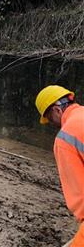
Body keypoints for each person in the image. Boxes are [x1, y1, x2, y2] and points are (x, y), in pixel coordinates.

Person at [35, 85, 84, 246]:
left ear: (57, 110)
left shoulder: (65, 139)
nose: (51, 123)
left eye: (49, 118)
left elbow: (81, 198)